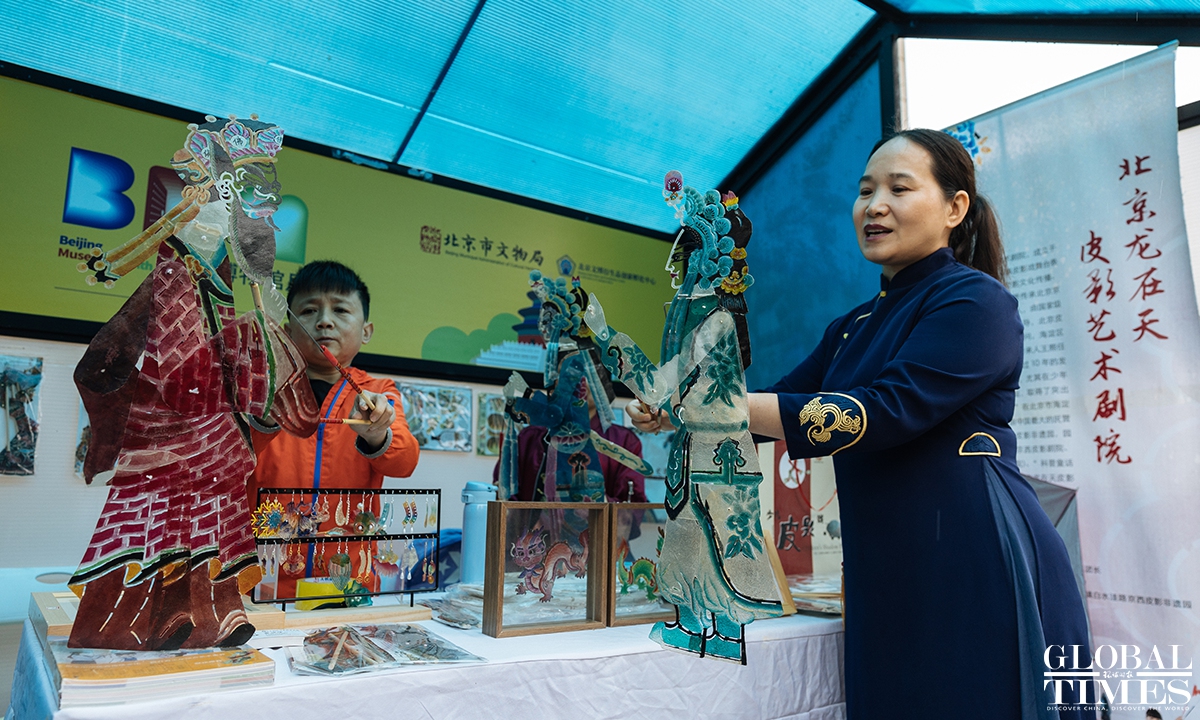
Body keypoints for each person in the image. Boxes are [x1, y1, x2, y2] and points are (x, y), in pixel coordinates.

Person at [632, 130, 1092, 717]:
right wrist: (678, 408)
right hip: (886, 568)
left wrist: (713, 403)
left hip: (973, 558)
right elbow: (773, 406)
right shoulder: (852, 326)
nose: (875, 206)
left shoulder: (977, 303)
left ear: (955, 208)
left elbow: (881, 413)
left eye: (899, 189)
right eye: (866, 190)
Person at [69, 116, 318, 650]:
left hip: (213, 416)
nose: (255, 214)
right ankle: (154, 616)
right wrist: (247, 343)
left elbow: (233, 355)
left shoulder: (226, 275)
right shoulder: (171, 270)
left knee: (220, 500)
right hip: (170, 418)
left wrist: (262, 340)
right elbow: (143, 359)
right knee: (163, 511)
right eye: (247, 198)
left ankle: (220, 611)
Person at [585, 180, 783, 663]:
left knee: (721, 547)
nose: (673, 268)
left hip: (718, 457)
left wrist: (607, 335)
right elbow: (667, 391)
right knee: (688, 542)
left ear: (704, 261)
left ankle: (721, 632)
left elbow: (666, 389)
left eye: (681, 257)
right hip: (700, 453)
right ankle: (693, 626)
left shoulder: (714, 321)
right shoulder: (705, 318)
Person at [247, 261, 420, 600]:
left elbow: (405, 462)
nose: (324, 321)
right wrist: (265, 414)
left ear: (366, 331)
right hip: (262, 584)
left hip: (349, 586)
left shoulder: (378, 391)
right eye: (309, 310)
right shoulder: (260, 387)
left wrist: (376, 433)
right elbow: (227, 462)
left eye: (340, 310)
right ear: (287, 330)